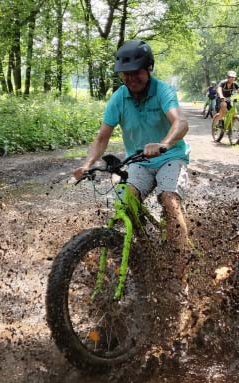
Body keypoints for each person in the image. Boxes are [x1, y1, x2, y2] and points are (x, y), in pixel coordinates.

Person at [73, 40, 191, 252]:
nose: (130, 78)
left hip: (171, 156)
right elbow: (102, 138)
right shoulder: (119, 98)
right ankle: (142, 251)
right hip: (139, 161)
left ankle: (182, 264)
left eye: (136, 72)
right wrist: (88, 164)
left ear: (149, 69)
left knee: (169, 200)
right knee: (125, 201)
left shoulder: (163, 91)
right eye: (125, 74)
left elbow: (180, 122)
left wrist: (163, 144)